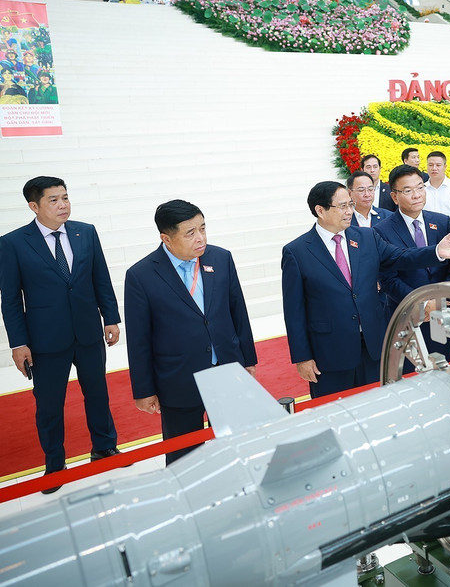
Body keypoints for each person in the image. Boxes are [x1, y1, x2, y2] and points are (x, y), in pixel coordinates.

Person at [282, 181, 450, 398]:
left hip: (374, 346)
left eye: (350, 205)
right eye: (342, 206)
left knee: (377, 404)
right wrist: (302, 357)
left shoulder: (366, 237)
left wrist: (436, 252)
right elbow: (294, 310)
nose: (349, 211)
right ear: (320, 210)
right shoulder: (297, 252)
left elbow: (401, 257)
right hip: (330, 350)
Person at [0, 177, 121, 493]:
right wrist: (18, 343)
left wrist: (111, 318)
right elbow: (11, 299)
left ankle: (104, 448)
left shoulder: (86, 232)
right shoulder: (12, 243)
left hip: (88, 332)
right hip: (45, 340)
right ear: (34, 206)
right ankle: (54, 463)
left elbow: (101, 279)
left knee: (97, 393)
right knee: (49, 405)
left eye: (65, 197)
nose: (63, 204)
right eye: (53, 200)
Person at [124, 200, 257, 464]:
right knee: (185, 457)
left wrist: (248, 359)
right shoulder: (141, 275)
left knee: (238, 447)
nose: (201, 238)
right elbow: (139, 340)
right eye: (190, 232)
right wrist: (144, 389)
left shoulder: (220, 258)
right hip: (179, 378)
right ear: (166, 238)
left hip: (226, 369)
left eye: (203, 228)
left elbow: (237, 311)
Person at [375, 165, 450, 365]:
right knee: (411, 373)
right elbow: (387, 279)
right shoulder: (381, 231)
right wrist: (422, 305)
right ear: (394, 197)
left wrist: (440, 298)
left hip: (441, 312)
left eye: (420, 188)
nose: (416, 195)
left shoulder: (441, 221)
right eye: (408, 191)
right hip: (405, 315)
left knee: (444, 368)